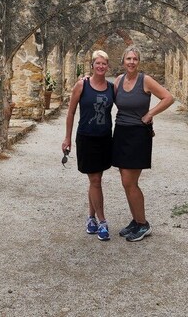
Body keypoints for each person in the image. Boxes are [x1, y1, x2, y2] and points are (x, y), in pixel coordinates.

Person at [113, 45, 174, 242]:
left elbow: (168, 97)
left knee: (130, 182)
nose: (131, 62)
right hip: (120, 132)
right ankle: (136, 220)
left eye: (135, 59)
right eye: (128, 59)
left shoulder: (145, 80)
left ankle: (143, 224)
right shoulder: (118, 81)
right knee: (125, 181)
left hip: (138, 134)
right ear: (123, 61)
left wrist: (150, 114)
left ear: (139, 62)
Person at [62, 50, 114, 241]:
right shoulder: (82, 85)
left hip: (105, 138)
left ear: (108, 66)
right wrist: (67, 138)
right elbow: (70, 113)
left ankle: (91, 218)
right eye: (98, 63)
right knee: (95, 180)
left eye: (104, 64)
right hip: (87, 137)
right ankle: (102, 221)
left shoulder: (111, 88)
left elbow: (125, 103)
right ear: (92, 65)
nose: (101, 66)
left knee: (96, 179)